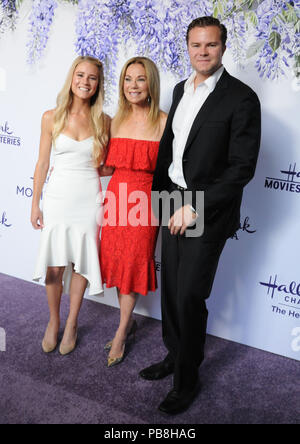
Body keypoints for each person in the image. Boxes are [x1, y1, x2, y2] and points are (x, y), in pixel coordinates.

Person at [139, 16, 261, 414]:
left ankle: (186, 380)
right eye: (196, 45)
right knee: (172, 290)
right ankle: (175, 356)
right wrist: (161, 203)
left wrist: (195, 206)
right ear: (188, 47)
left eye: (210, 45)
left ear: (223, 47)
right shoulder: (179, 89)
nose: (202, 52)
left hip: (206, 207)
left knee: (191, 294)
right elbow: (173, 149)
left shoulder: (242, 98)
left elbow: (241, 168)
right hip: (170, 199)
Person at [32, 56, 110, 355]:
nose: (85, 82)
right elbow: (42, 162)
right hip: (58, 196)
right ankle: (54, 321)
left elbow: (107, 166)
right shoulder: (51, 116)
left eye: (92, 78)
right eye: (80, 75)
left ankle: (73, 322)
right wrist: (35, 203)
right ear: (71, 77)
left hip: (88, 197)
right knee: (54, 266)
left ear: (98, 84)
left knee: (80, 263)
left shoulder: (104, 121)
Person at [100, 57, 167, 367]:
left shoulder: (165, 122)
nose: (133, 86)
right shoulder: (114, 121)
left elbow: (173, 170)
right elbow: (110, 166)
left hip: (145, 202)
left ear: (150, 83)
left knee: (133, 264)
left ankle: (122, 330)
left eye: (140, 79)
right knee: (117, 264)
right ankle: (126, 321)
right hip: (115, 197)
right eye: (128, 79)